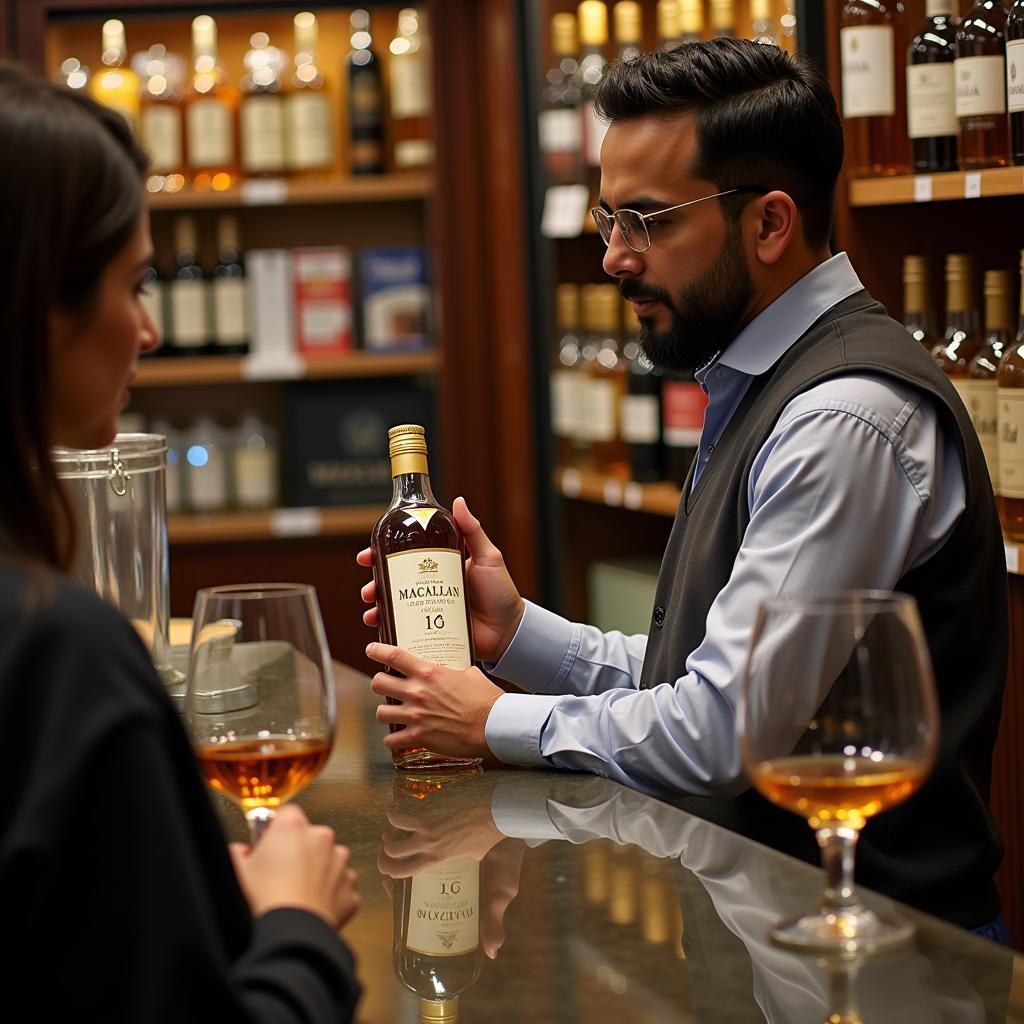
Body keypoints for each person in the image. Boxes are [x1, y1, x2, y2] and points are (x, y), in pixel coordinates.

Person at [360, 38, 1008, 940]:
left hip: (885, 958)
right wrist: (515, 634)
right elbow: (714, 675)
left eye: (648, 222)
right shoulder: (761, 379)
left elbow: (718, 732)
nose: (615, 258)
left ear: (771, 224)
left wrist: (499, 720)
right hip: (788, 942)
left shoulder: (843, 418)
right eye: (607, 220)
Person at [0, 62, 361, 1019]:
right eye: (133, 283)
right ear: (39, 306)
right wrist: (298, 926)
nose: (150, 332)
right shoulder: (56, 652)